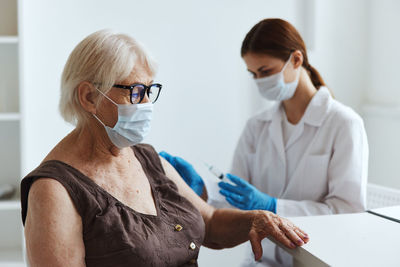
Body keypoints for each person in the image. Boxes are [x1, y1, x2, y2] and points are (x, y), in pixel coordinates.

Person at [20, 30, 309, 267]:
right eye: (135, 92)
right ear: (89, 97)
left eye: (150, 91)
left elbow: (211, 222)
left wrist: (258, 218)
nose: (146, 105)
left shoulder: (147, 158)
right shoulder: (54, 190)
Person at [161, 18, 368, 266]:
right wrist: (203, 189)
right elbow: (237, 194)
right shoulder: (257, 126)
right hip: (262, 260)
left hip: (316, 260)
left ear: (296, 60)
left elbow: (348, 212)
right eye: (254, 74)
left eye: (266, 71)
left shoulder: (343, 123)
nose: (260, 80)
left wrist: (272, 206)